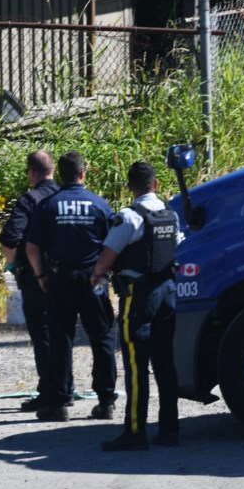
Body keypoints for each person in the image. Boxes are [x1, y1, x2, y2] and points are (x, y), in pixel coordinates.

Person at [90, 161, 180, 451]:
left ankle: (135, 432)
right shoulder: (171, 216)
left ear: (129, 187)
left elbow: (106, 258)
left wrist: (97, 277)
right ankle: (169, 430)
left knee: (135, 366)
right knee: (165, 364)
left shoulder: (128, 217)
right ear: (155, 185)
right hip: (168, 293)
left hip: (139, 297)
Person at [25, 152, 117, 422]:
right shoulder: (99, 204)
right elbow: (114, 244)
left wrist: (41, 274)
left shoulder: (49, 205)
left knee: (60, 338)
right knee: (101, 337)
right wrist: (104, 272)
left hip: (60, 277)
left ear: (61, 175)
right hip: (94, 277)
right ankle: (106, 400)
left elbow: (32, 247)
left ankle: (58, 402)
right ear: (82, 174)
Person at [0, 151, 60, 412]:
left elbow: (10, 238)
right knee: (63, 334)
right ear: (53, 171)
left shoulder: (30, 199)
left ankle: (49, 392)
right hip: (70, 274)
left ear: (31, 172)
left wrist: (12, 264)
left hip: (37, 276)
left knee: (43, 335)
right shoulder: (66, 195)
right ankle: (64, 389)